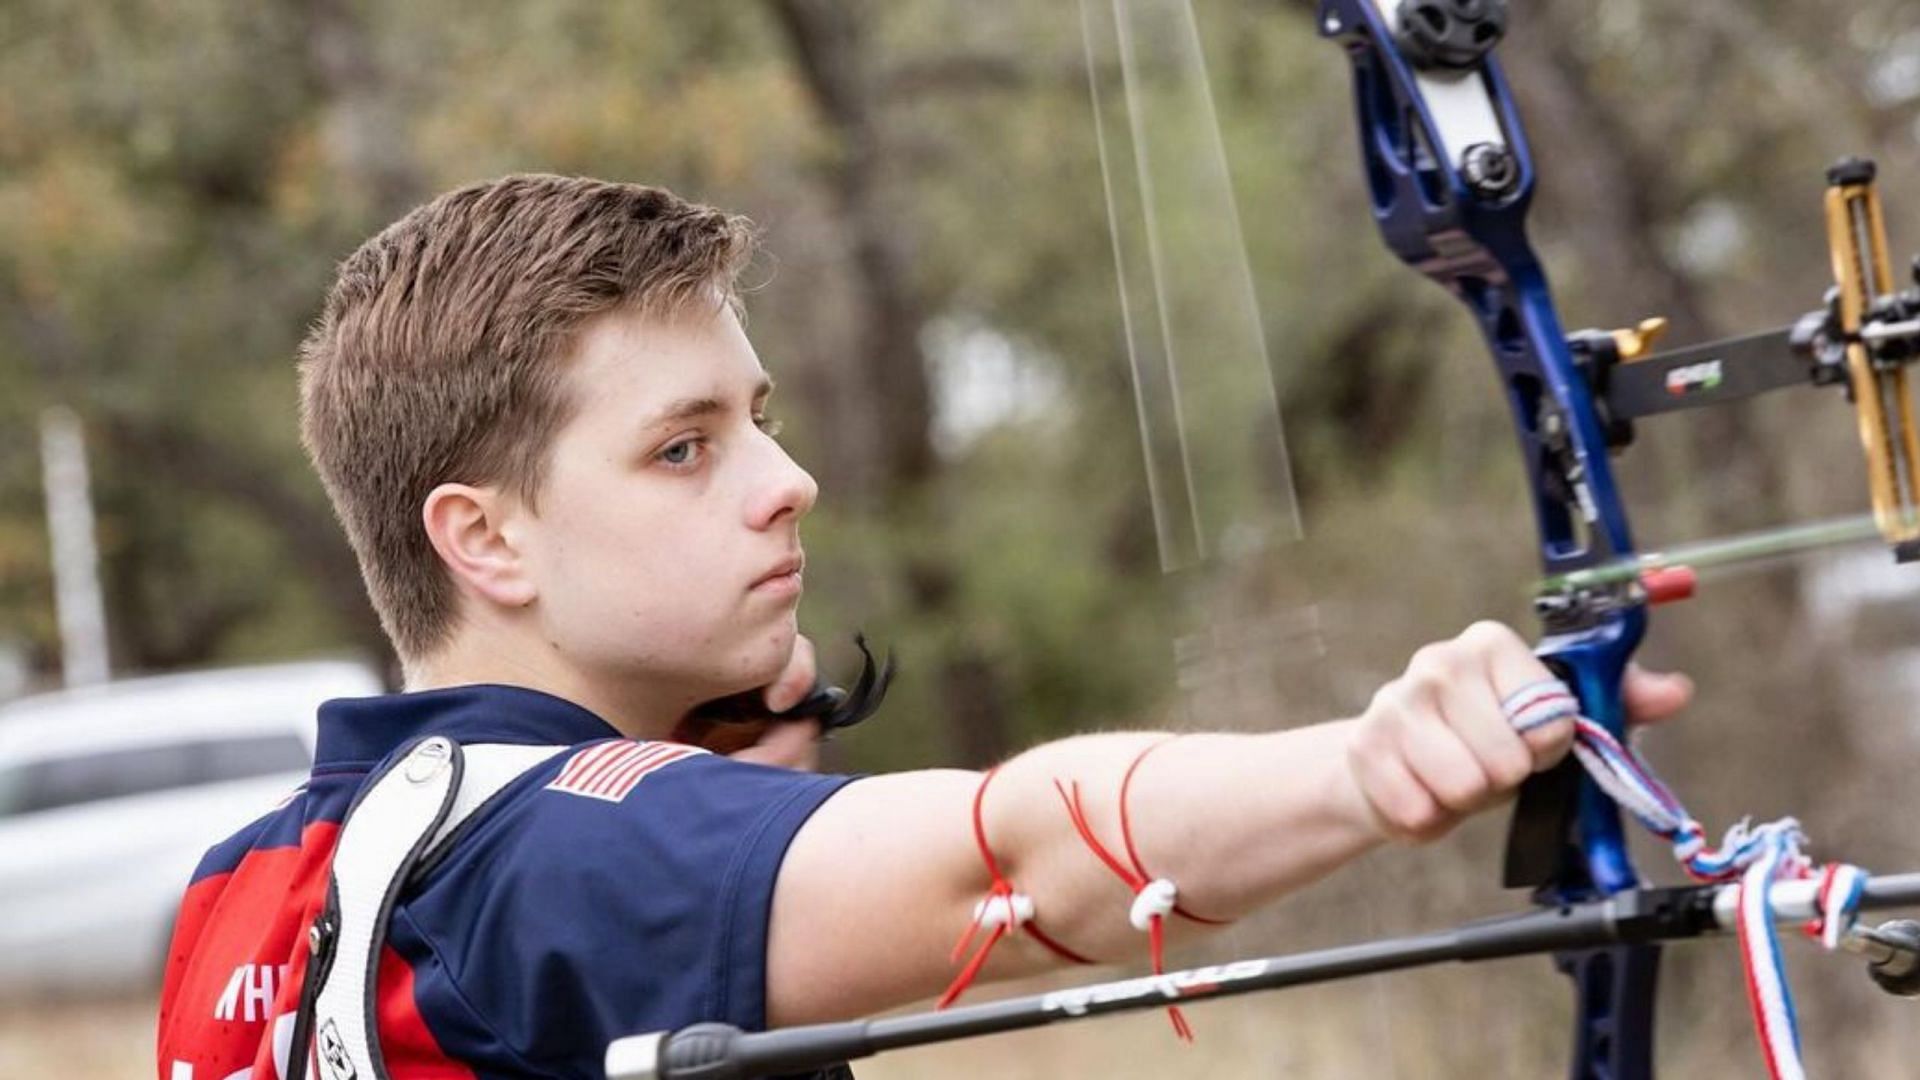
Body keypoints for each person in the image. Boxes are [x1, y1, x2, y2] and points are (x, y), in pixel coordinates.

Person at [155, 175, 1692, 1080]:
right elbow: (1010, 859)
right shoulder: (563, 856)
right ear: (483, 537)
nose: (787, 482)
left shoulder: (246, 890)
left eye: (760, 420)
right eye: (684, 447)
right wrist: (1367, 766)